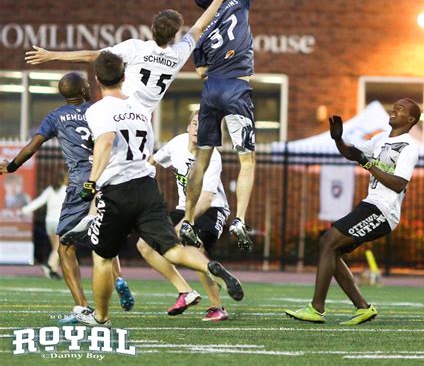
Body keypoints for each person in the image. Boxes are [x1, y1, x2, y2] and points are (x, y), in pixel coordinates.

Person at [77, 51, 243, 327]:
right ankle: (208, 267)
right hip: (147, 187)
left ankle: (101, 317)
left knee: (103, 257)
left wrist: (92, 182)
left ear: (96, 79)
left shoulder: (97, 110)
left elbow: (105, 141)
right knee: (171, 248)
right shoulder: (140, 111)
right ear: (124, 77)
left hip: (117, 190)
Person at [181, 0, 288, 252]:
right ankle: (240, 218)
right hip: (237, 88)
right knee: (246, 158)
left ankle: (185, 220)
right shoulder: (238, 1)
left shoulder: (197, 32)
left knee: (202, 157)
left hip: (210, 89)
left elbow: (198, 72)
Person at [0, 72, 134, 323]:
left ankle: (82, 308)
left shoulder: (56, 117)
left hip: (80, 185)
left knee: (65, 247)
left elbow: (32, 146)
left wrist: (12, 167)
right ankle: (118, 279)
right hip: (110, 179)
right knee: (105, 237)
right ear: (84, 90)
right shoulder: (99, 109)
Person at [25, 0, 244, 115]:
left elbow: (92, 56)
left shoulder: (136, 48)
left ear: (152, 28)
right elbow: (198, 26)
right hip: (142, 122)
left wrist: (51, 55)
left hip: (119, 112)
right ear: (174, 35)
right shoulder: (178, 54)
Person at [285, 98, 421, 325]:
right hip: (371, 204)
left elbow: (398, 184)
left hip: (383, 210)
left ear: (411, 120)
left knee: (328, 241)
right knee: (330, 247)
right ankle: (363, 308)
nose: (395, 108)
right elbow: (352, 153)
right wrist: (338, 139)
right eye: (394, 105)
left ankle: (317, 308)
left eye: (402, 108)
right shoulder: (380, 138)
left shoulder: (409, 146)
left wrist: (368, 165)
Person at [138, 109, 230, 322]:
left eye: (205, 125)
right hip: (183, 207)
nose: (199, 129)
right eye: (195, 123)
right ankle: (185, 291)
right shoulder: (177, 143)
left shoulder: (212, 157)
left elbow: (206, 200)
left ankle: (217, 307)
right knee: (144, 245)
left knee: (193, 244)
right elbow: (152, 161)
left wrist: (185, 222)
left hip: (212, 209)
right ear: (189, 127)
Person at [20, 171, 67, 279]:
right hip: (60, 222)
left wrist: (24, 210)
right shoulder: (66, 190)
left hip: (49, 222)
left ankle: (53, 271)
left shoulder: (49, 190)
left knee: (55, 248)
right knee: (59, 248)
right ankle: (49, 266)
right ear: (64, 179)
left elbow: (38, 202)